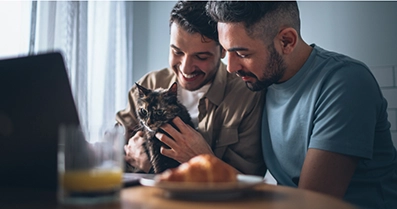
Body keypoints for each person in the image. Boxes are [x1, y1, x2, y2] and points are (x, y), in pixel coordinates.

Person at [205, 1, 397, 209]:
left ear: (287, 41)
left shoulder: (346, 83)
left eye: (243, 54)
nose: (231, 67)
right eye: (225, 52)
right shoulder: (260, 82)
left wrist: (204, 159)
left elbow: (311, 203)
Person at [116, 1, 266, 176]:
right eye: (177, 52)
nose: (186, 68)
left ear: (223, 50)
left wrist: (202, 157)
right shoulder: (149, 85)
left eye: (201, 57)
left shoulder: (247, 96)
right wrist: (127, 149)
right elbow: (112, 143)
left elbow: (249, 181)